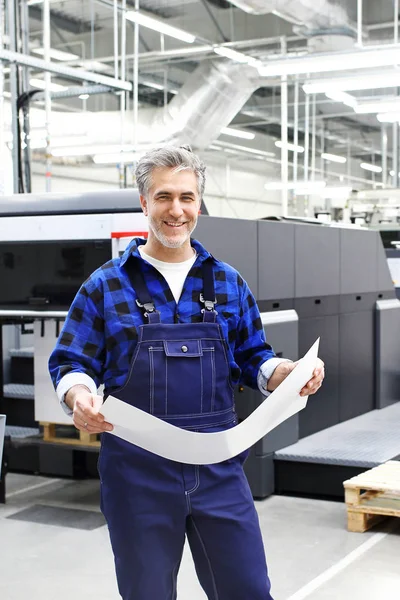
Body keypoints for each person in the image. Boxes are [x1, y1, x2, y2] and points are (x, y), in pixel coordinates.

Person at [49, 145, 325, 600]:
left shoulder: (228, 281)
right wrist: (79, 397)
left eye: (186, 197)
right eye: (163, 197)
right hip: (137, 473)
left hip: (219, 467)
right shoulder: (105, 285)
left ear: (199, 204)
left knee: (248, 589)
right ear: (144, 203)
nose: (175, 210)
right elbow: (70, 361)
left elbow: (254, 354)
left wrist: (286, 374)